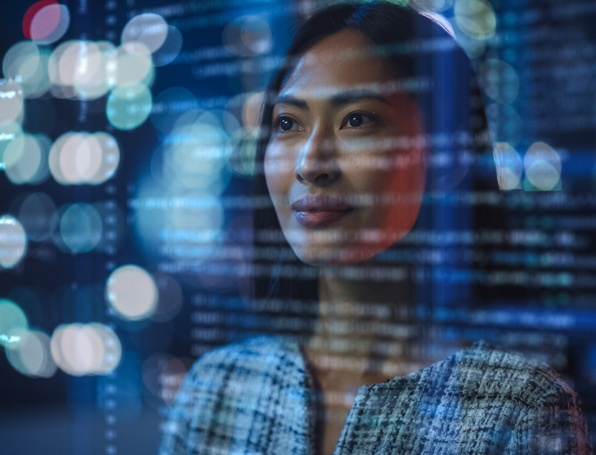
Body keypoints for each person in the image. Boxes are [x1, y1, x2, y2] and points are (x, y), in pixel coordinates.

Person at [160, 2, 593, 454]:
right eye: (288, 123)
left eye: (357, 120)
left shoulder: (516, 408)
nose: (311, 164)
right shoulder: (218, 390)